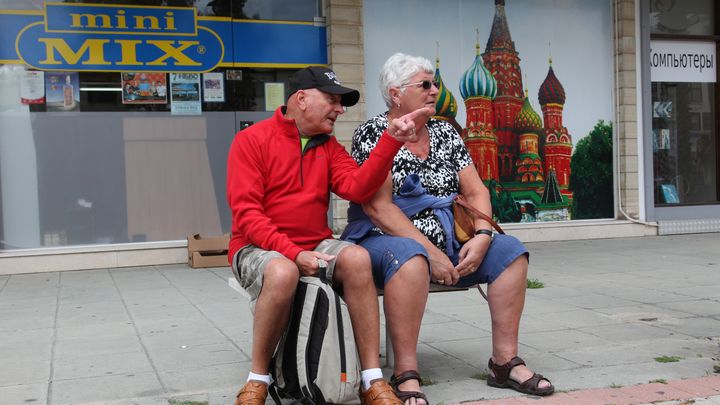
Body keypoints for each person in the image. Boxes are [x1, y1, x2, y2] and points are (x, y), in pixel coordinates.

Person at [342, 53, 555, 403]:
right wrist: (432, 252)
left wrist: (484, 237)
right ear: (396, 94)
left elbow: (477, 191)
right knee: (411, 257)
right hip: (386, 240)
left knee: (511, 252)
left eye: (435, 84)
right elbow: (379, 208)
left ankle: (503, 362)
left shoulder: (444, 132)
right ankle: (405, 373)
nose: (434, 90)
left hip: (449, 236)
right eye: (425, 84)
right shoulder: (373, 132)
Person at [226, 66, 434, 405]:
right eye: (333, 101)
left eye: (342, 103)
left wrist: (391, 140)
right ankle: (257, 379)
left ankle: (371, 380)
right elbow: (247, 216)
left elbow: (357, 188)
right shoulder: (251, 140)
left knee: (357, 258)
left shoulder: (329, 147)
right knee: (282, 272)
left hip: (313, 242)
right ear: (301, 99)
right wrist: (292, 253)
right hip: (256, 245)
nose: (340, 109)